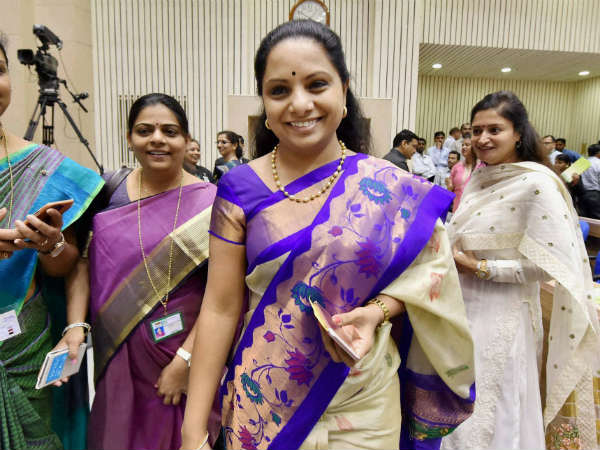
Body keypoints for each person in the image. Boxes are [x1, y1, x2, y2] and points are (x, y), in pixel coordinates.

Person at [181, 20, 475, 450]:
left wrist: (376, 312)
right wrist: (192, 430)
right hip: (265, 404)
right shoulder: (240, 188)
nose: (300, 103)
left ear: (344, 90)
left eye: (317, 84)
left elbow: (432, 277)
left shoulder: (390, 186)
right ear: (264, 102)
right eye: (279, 90)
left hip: (366, 403)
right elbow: (220, 307)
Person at [444, 91, 600, 450]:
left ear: (518, 133)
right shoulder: (481, 179)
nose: (482, 138)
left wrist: (480, 267)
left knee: (494, 408)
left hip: (504, 313)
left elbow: (548, 265)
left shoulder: (537, 183)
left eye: (494, 129)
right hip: (462, 309)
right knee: (456, 406)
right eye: (476, 130)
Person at [66, 93, 220, 449]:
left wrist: (186, 361)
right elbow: (83, 263)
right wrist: (75, 326)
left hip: (182, 358)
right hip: (116, 352)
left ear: (186, 139)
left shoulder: (213, 202)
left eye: (170, 131)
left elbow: (223, 295)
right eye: (145, 130)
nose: (157, 139)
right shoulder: (108, 191)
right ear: (129, 137)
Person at [0, 34, 103, 449]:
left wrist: (50, 245)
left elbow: (66, 265)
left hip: (23, 347)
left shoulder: (46, 168)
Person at [446, 135, 480, 212]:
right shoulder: (456, 167)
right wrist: (449, 187)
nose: (463, 147)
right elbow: (450, 191)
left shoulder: (482, 166)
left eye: (467, 145)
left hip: (474, 208)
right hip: (457, 208)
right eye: (462, 145)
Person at [580, 143, 600, 219]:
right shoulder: (599, 163)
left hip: (581, 194)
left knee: (584, 218)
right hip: (595, 194)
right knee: (596, 219)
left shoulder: (581, 162)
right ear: (598, 153)